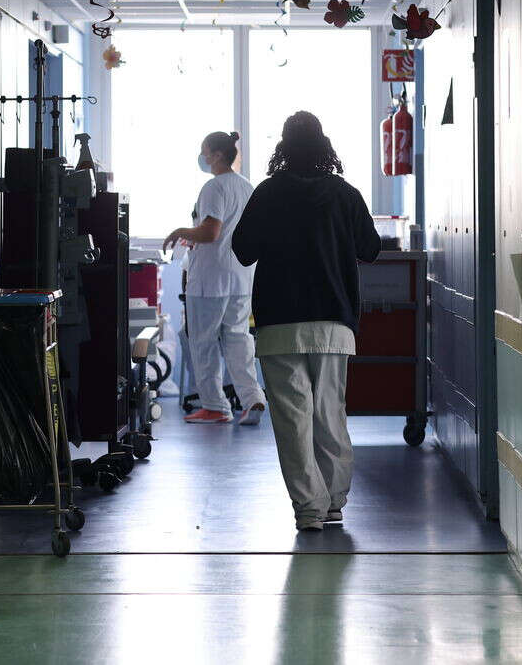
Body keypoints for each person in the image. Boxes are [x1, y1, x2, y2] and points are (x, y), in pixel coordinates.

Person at [231, 112, 381, 532]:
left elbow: (242, 250)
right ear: (323, 144)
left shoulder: (267, 192)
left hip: (279, 320)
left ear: (283, 146)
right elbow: (370, 249)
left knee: (292, 416)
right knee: (329, 410)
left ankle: (309, 507)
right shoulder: (344, 194)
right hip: (334, 320)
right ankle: (334, 499)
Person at [163, 131, 267, 426]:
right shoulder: (247, 187)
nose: (203, 157)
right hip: (241, 277)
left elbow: (210, 232)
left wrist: (181, 232)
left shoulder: (214, 187)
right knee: (238, 340)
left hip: (210, 280)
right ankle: (252, 399)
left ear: (218, 155)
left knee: (203, 342)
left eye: (205, 151)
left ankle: (214, 406)